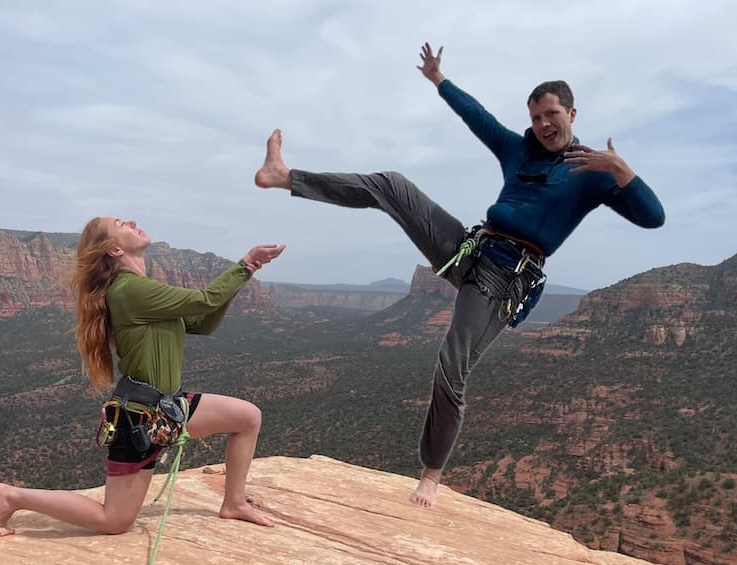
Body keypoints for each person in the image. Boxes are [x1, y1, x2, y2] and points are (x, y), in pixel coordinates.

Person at [254, 42, 664, 508]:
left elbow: (654, 218)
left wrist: (622, 169)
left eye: (552, 114)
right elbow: (478, 117)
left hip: (503, 279)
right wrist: (438, 79)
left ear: (572, 112)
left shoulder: (592, 172)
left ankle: (431, 475)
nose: (544, 124)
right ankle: (284, 177)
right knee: (392, 185)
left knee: (453, 363)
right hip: (470, 247)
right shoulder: (518, 150)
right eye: (536, 117)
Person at [0, 216, 286, 535]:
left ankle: (234, 503)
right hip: (138, 417)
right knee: (114, 520)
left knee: (247, 418)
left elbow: (203, 322)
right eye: (120, 223)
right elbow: (205, 300)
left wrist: (243, 275)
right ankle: (12, 496)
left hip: (168, 407)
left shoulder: (140, 290)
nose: (131, 221)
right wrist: (246, 264)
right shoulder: (130, 289)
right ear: (114, 249)